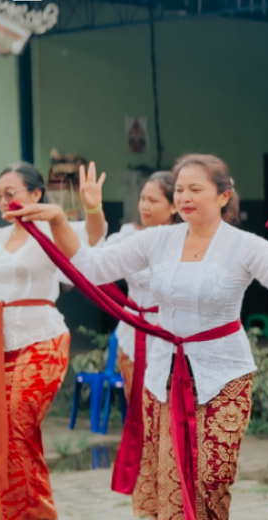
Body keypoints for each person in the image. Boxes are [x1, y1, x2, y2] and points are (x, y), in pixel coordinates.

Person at [6, 154, 268, 520]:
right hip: (163, 377)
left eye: (195, 189)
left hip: (224, 378)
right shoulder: (158, 240)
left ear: (223, 196)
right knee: (170, 483)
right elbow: (92, 265)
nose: (184, 196)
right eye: (180, 188)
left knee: (211, 481)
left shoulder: (244, 245)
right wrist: (59, 219)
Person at [0, 161, 105, 520]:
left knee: (16, 427)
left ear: (36, 193)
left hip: (41, 340)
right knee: (6, 438)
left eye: (11, 193)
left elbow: (92, 235)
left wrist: (91, 207)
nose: (3, 201)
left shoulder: (51, 228)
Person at [107, 172, 181, 402]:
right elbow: (97, 259)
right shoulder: (128, 235)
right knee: (137, 405)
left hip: (170, 333)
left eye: (153, 200)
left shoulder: (185, 241)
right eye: (142, 199)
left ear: (173, 207)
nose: (144, 206)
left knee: (166, 409)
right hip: (132, 330)